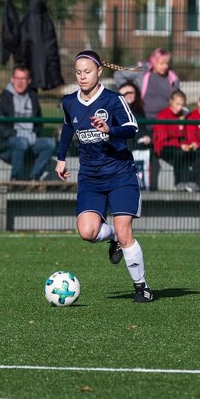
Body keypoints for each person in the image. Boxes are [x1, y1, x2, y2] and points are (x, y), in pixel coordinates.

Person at [55, 49, 155, 303]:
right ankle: (113, 238)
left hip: (121, 174)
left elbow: (132, 129)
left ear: (99, 71)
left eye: (87, 72)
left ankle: (141, 287)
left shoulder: (113, 100)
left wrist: (110, 129)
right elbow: (68, 127)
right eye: (78, 72)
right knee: (87, 232)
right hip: (91, 177)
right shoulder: (69, 102)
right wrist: (61, 158)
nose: (82, 77)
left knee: (125, 232)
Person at [0, 65, 55, 182]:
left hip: (30, 143)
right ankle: (16, 179)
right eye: (17, 78)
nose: (20, 82)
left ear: (29, 81)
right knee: (21, 142)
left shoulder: (33, 98)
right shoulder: (2, 99)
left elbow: (39, 124)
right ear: (12, 79)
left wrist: (33, 136)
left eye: (23, 79)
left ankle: (34, 178)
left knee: (50, 144)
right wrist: (17, 135)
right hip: (6, 146)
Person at [116, 48, 180, 126]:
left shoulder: (172, 77)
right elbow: (119, 74)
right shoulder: (143, 72)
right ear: (154, 61)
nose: (165, 66)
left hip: (165, 120)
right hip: (144, 118)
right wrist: (130, 89)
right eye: (162, 63)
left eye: (167, 63)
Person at [152, 90, 199, 191]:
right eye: (177, 104)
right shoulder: (163, 116)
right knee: (180, 153)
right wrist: (180, 145)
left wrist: (190, 144)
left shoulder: (183, 116)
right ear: (171, 102)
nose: (179, 108)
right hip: (163, 147)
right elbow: (162, 140)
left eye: (182, 105)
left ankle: (191, 182)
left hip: (178, 146)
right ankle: (179, 183)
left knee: (193, 153)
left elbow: (186, 134)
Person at [116, 83, 153, 189]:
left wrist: (147, 136)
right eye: (125, 93)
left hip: (139, 149)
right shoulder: (116, 112)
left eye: (131, 92)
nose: (129, 95)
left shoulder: (139, 110)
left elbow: (143, 129)